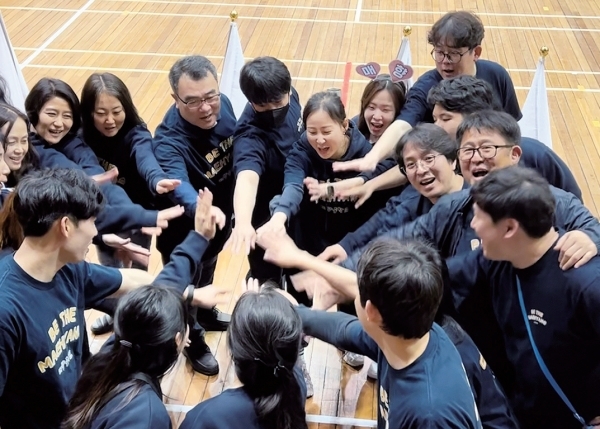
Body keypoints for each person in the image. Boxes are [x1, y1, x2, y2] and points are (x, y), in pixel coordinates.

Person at [257, 232, 518, 429]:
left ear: (370, 311)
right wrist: (293, 311)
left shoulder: (430, 414)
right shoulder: (422, 334)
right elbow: (343, 329)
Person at [63, 186, 230, 429]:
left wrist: (199, 237)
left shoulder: (113, 353)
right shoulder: (146, 415)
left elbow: (163, 288)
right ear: (178, 340)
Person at [445, 166, 600, 428]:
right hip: (527, 412)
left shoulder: (585, 283)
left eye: (477, 217)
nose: (472, 225)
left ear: (509, 228)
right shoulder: (496, 260)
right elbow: (434, 276)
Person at [333, 10, 521, 174]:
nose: (444, 61)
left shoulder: (497, 75)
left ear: (476, 52)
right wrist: (372, 157)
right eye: (439, 52)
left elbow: (510, 125)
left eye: (453, 54)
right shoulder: (425, 86)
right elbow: (402, 125)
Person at [153, 55, 237, 375]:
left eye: (210, 96)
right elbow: (180, 186)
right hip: (186, 234)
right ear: (175, 99)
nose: (205, 108)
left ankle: (206, 314)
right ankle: (194, 340)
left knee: (210, 269)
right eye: (192, 101)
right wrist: (202, 208)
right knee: (187, 289)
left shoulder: (223, 103)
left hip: (219, 221)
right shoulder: (168, 141)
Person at [23, 79, 184, 238]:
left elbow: (106, 177)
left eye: (67, 115)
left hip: (113, 216)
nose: (59, 123)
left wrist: (139, 211)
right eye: (51, 114)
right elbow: (63, 166)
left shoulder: (74, 142)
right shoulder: (24, 141)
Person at [261, 90, 393, 259]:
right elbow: (293, 186)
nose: (320, 140)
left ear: (344, 125)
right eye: (312, 132)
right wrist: (279, 217)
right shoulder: (301, 152)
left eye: (326, 131)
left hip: (351, 250)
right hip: (309, 246)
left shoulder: (368, 157)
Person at [427, 75, 581, 199]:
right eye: (435, 119)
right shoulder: (437, 163)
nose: (436, 127)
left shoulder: (535, 154)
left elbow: (573, 201)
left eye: (445, 119)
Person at [180, 283, 308, 429]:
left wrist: (245, 313)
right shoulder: (296, 382)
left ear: (232, 348)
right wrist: (255, 314)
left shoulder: (206, 418)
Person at [228, 56, 303, 284]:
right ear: (251, 101)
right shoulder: (249, 136)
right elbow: (247, 178)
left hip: (298, 204)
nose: (272, 109)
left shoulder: (293, 96)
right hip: (264, 219)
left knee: (301, 275)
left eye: (277, 101)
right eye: (262, 105)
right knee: (267, 279)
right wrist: (242, 221)